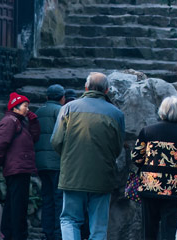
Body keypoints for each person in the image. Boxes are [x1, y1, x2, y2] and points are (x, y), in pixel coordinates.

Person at [52, 72, 125, 240]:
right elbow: (117, 148)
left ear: (86, 87)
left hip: (72, 175)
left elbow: (56, 141)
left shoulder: (68, 108)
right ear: (106, 90)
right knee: (98, 226)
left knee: (70, 219)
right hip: (102, 176)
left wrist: (69, 157)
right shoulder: (116, 114)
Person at [131, 96, 177, 240]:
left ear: (161, 111)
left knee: (149, 230)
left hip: (150, 186)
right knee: (169, 230)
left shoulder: (147, 132)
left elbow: (136, 157)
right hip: (174, 189)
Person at [0, 92, 41, 240]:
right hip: (17, 169)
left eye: (28, 106)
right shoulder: (10, 121)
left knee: (14, 203)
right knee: (17, 205)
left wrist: (33, 122)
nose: (28, 109)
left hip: (21, 168)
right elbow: (1, 144)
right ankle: (16, 235)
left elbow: (34, 138)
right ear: (15, 107)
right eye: (25, 106)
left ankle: (10, 234)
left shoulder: (20, 121)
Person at [35, 84, 66, 240]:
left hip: (41, 163)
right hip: (56, 162)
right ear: (62, 98)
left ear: (47, 97)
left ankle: (47, 231)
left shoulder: (39, 112)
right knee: (58, 198)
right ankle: (57, 232)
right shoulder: (60, 111)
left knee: (46, 198)